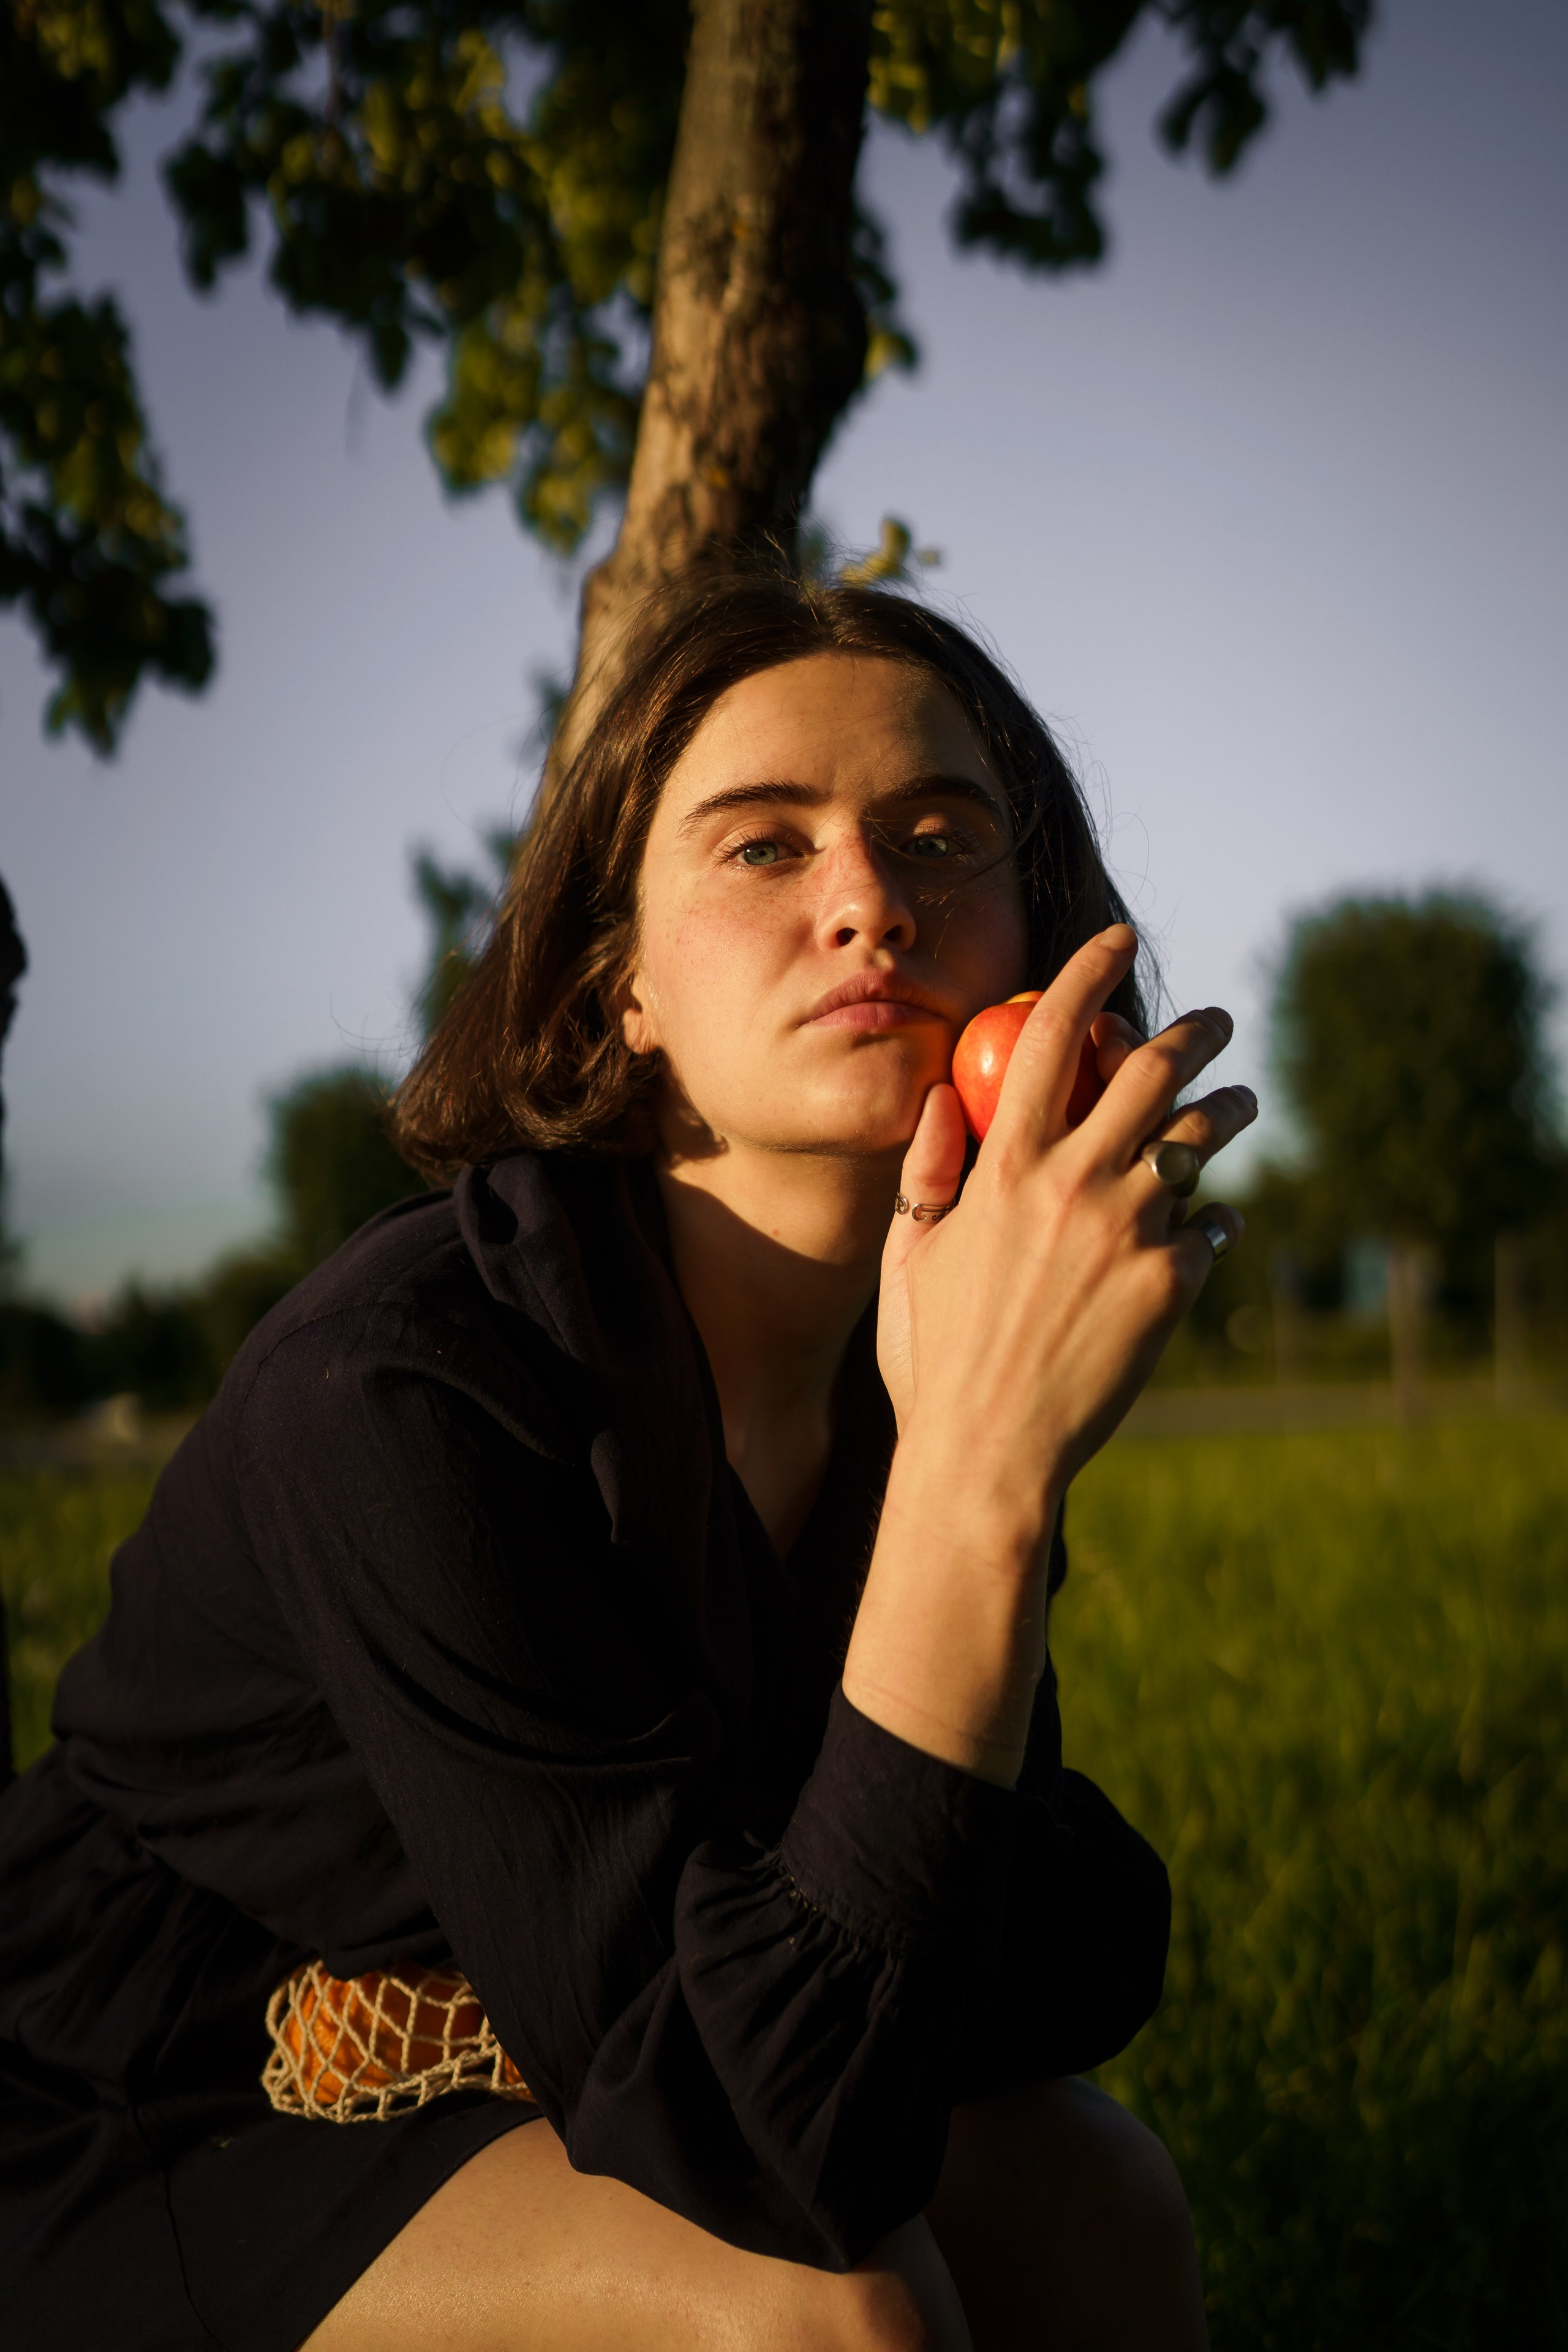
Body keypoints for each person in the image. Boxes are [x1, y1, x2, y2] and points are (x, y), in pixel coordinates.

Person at [0, 570, 1254, 2352]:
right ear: (620, 994)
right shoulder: (403, 1388)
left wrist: (971, 1452)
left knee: (1099, 2206)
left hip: (596, 2034)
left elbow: (1064, 1946)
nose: (871, 901)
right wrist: (979, 1482)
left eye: (939, 834)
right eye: (764, 847)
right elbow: (782, 2135)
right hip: (168, 2097)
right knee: (829, 2314)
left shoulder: (933, 1346)